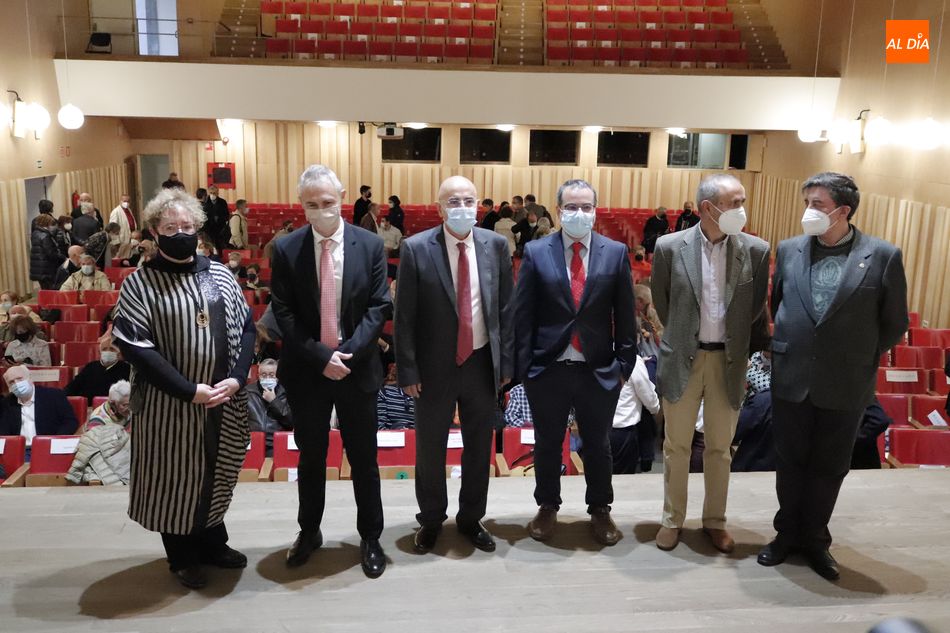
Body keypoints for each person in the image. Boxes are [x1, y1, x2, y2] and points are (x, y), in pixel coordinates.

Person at [759, 172, 908, 581]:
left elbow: (894, 323)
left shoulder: (882, 255)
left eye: (818, 204)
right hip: (791, 377)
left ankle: (815, 541)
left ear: (843, 211)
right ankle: (785, 534)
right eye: (806, 201)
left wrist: (855, 355)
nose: (809, 210)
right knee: (789, 463)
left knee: (829, 468)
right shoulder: (790, 249)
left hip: (845, 383)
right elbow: (779, 304)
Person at [111, 186, 256, 590]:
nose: (181, 232)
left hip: (223, 401)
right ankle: (182, 556)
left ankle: (213, 543)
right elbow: (138, 349)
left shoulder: (221, 273)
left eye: (188, 225)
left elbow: (245, 328)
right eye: (171, 226)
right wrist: (188, 390)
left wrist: (238, 376)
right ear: (155, 231)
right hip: (168, 406)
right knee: (176, 478)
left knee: (216, 470)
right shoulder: (140, 284)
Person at [270, 165, 391, 578]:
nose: (321, 211)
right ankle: (309, 531)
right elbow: (283, 312)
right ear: (301, 205)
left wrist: (348, 355)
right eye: (311, 205)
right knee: (312, 457)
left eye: (328, 203)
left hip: (357, 370)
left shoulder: (371, 245)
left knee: (364, 459)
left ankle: (371, 537)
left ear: (341, 197)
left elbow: (378, 307)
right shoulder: (286, 249)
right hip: (308, 370)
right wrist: (322, 357)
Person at [650, 173, 770, 554]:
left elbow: (755, 311)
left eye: (742, 201)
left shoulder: (756, 250)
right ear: (707, 208)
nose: (741, 210)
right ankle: (672, 520)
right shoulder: (669, 247)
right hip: (683, 356)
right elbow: (664, 303)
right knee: (677, 447)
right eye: (734, 203)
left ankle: (714, 521)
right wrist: (687, 336)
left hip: (728, 361)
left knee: (720, 448)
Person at [513, 178, 637, 545]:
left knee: (598, 444)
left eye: (586, 207)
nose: (579, 213)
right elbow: (524, 315)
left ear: (595, 211)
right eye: (571, 207)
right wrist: (525, 369)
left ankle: (600, 509)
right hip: (548, 367)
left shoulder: (614, 252)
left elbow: (625, 314)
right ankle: (547, 506)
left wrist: (624, 367)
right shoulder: (537, 252)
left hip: (597, 368)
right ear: (558, 210)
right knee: (549, 442)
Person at [395, 175, 513, 555]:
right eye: (453, 201)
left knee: (479, 447)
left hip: (481, 364)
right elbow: (405, 317)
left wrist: (505, 364)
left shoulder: (496, 245)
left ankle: (470, 518)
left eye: (468, 200)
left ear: (478, 204)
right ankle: (431, 519)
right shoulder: (416, 248)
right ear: (439, 208)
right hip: (433, 369)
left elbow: (506, 311)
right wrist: (408, 371)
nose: (462, 207)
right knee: (430, 449)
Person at [0, 365, 79, 455]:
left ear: (30, 378)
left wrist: (55, 441)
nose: (17, 384)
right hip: (18, 452)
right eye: (11, 382)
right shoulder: (6, 403)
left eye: (20, 379)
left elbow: (70, 422)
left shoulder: (54, 395)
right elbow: (3, 431)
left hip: (49, 448)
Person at [67, 380, 133, 485]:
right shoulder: (97, 419)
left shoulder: (130, 412)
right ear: (113, 403)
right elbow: (101, 451)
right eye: (125, 405)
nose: (130, 408)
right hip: (109, 459)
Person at [610, 355, 661, 474]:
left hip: (597, 430)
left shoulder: (595, 354)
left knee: (598, 482)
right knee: (622, 484)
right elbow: (650, 401)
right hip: (623, 432)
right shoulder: (633, 361)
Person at [246, 358, 293, 456]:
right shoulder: (248, 392)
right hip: (253, 442)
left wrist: (274, 401)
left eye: (271, 375)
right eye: (264, 375)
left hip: (276, 443)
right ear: (258, 376)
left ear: (277, 376)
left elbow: (291, 421)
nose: (267, 378)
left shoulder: (286, 392)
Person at [65, 340, 131, 405]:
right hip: (88, 409)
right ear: (99, 352)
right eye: (104, 349)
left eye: (112, 349)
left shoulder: (127, 369)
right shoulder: (90, 367)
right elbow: (72, 387)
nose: (108, 352)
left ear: (118, 353)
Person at [30, 213, 65, 290]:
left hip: (39, 267)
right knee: (50, 291)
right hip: (46, 268)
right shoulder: (45, 235)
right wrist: (63, 258)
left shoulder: (35, 233)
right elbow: (50, 253)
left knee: (44, 290)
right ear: (47, 222)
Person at [376, 363, 415, 430]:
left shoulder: (423, 396)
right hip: (391, 437)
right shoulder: (385, 393)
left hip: (416, 437)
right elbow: (380, 426)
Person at [205, 184, 231, 255]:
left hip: (220, 228)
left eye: (214, 193)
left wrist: (219, 218)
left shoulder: (222, 202)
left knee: (220, 248)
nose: (212, 195)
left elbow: (226, 215)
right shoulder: (206, 202)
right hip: (209, 229)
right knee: (211, 248)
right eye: (211, 193)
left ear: (217, 193)